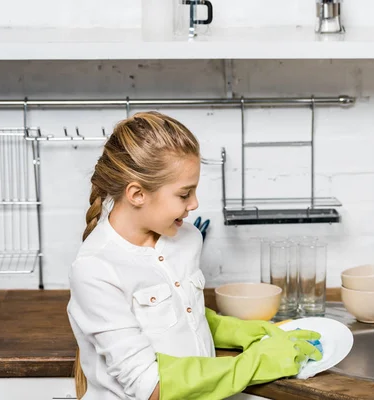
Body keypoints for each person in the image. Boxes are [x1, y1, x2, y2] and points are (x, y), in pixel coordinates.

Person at [67, 112, 322, 400]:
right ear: (137, 194)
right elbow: (150, 386)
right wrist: (258, 362)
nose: (195, 203)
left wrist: (245, 332)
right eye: (184, 194)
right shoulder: (95, 269)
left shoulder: (186, 239)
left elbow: (183, 314)